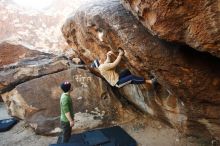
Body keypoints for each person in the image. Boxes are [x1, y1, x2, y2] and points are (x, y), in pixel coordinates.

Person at [91, 48, 157, 88]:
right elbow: (114, 64)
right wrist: (120, 54)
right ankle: (150, 81)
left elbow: (107, 62)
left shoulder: (101, 67)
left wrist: (108, 55)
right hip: (117, 82)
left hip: (117, 78)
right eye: (98, 60)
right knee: (131, 77)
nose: (100, 59)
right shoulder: (102, 67)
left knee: (127, 72)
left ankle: (134, 80)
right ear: (98, 63)